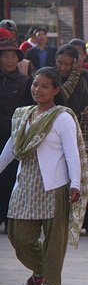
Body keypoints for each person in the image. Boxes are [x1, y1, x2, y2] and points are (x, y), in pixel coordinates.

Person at [0, 66, 88, 285]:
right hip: (25, 184)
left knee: (54, 242)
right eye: (35, 84)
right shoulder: (23, 114)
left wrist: (75, 184)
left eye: (44, 86)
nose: (37, 90)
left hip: (54, 186)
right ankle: (42, 270)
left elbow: (72, 154)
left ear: (56, 90)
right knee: (18, 237)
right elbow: (12, 146)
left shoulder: (62, 118)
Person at [57, 41, 88, 237]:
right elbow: (61, 97)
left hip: (86, 133)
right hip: (60, 136)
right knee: (64, 177)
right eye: (60, 63)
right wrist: (74, 75)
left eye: (67, 64)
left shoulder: (87, 78)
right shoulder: (52, 78)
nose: (63, 68)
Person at [0, 37, 34, 235]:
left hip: (14, 136)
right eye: (5, 56)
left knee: (12, 178)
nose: (10, 60)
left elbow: (30, 109)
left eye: (13, 56)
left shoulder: (25, 82)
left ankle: (10, 217)